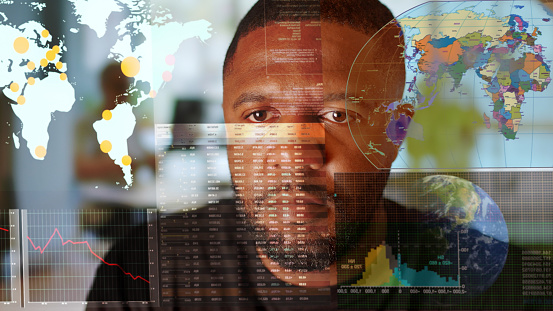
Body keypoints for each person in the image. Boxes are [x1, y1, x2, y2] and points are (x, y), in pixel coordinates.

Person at [86, 0, 416, 309]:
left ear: (396, 131)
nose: (294, 157)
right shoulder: (143, 271)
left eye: (339, 115)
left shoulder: (465, 272)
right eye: (259, 116)